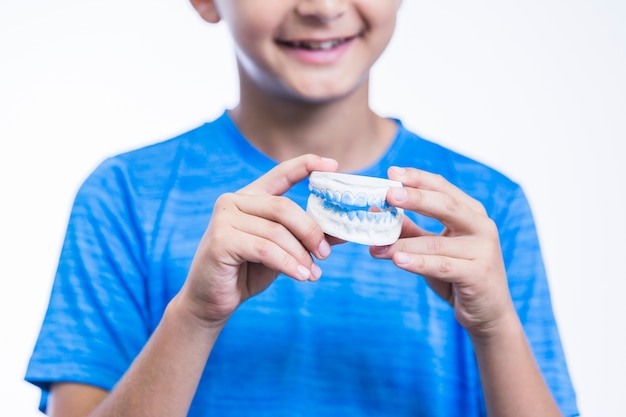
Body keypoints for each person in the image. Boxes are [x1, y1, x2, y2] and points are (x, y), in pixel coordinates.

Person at [25, 1, 578, 416]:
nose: (322, 7)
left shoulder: (486, 213)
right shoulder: (124, 196)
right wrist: (194, 317)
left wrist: (496, 327)